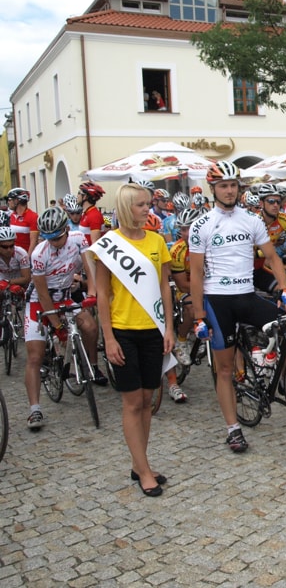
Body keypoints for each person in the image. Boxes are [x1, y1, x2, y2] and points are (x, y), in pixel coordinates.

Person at [189, 161, 286, 453]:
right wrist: (199, 316)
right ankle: (233, 429)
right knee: (225, 370)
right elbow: (195, 274)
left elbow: (273, 258)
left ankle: (279, 376)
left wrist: (285, 289)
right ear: (213, 189)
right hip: (218, 301)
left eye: (233, 185)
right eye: (222, 186)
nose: (228, 191)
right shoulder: (202, 225)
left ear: (239, 188)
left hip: (247, 295)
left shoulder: (251, 220)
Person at [92, 183, 174, 497]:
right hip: (123, 331)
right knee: (132, 401)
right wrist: (108, 338)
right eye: (141, 204)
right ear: (127, 207)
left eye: (148, 204)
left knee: (148, 401)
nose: (147, 209)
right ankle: (142, 471)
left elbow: (165, 287)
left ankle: (141, 463)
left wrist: (168, 328)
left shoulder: (157, 241)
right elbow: (102, 295)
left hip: (152, 330)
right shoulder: (108, 244)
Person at [23, 208, 101, 431]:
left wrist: (93, 292)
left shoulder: (78, 239)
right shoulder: (39, 254)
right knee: (35, 355)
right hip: (40, 301)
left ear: (66, 230)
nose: (53, 243)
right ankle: (34, 410)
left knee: (90, 326)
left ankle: (92, 367)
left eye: (57, 238)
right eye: (48, 239)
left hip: (65, 296)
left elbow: (89, 266)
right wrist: (57, 325)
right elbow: (43, 293)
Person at [167, 207, 204, 402]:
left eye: (190, 228)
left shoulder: (210, 243)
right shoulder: (177, 250)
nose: (186, 233)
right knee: (190, 304)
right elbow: (182, 284)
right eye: (183, 229)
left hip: (208, 284)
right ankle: (181, 339)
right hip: (187, 289)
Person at [7, 188, 38, 254]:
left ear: (17, 200)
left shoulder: (32, 216)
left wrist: (28, 258)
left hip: (25, 255)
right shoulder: (11, 216)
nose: (8, 202)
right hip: (12, 256)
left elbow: (34, 241)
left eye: (10, 199)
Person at [0, 226, 31, 293]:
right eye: (4, 247)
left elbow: (27, 278)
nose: (9, 250)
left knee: (16, 290)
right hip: (1, 284)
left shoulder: (21, 253)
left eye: (11, 246)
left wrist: (8, 282)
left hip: (20, 285)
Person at [77, 181, 106, 246]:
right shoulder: (86, 213)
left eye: (79, 193)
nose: (77, 196)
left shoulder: (94, 216)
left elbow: (95, 244)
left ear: (85, 197)